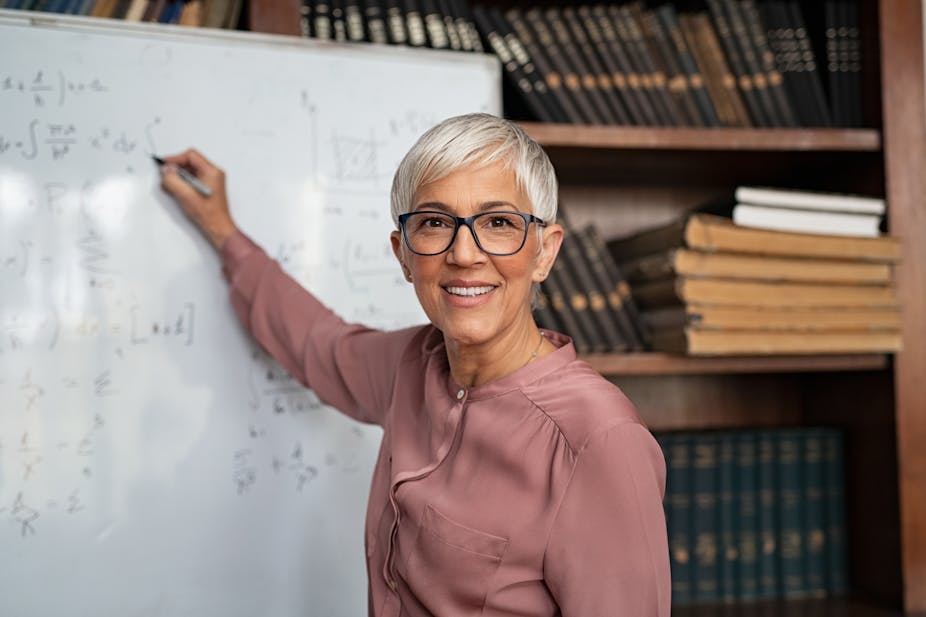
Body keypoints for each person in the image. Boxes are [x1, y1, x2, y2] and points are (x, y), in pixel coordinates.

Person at [158, 113, 670, 617]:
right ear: (403, 254)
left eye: (498, 223)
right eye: (434, 223)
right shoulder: (410, 365)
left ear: (544, 252)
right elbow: (317, 343)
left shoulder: (598, 439)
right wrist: (223, 230)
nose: (464, 254)